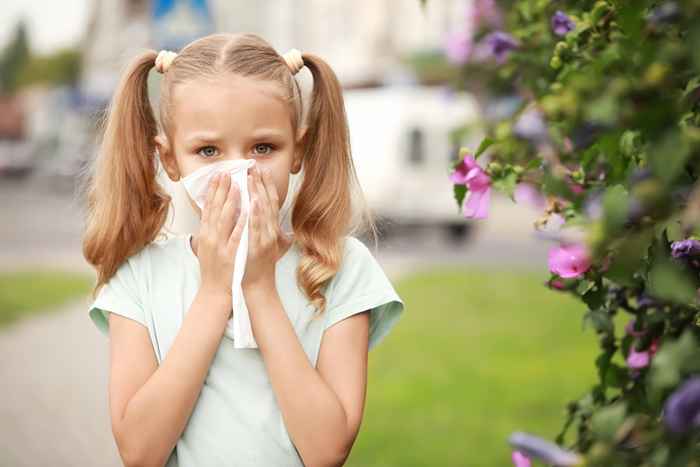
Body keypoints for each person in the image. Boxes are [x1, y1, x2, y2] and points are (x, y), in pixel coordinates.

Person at [80, 32, 405, 467]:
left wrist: (259, 289)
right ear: (171, 160)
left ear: (298, 150)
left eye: (263, 148)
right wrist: (215, 293)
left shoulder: (339, 269)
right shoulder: (139, 276)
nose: (238, 172)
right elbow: (140, 452)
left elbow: (327, 451)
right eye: (208, 151)